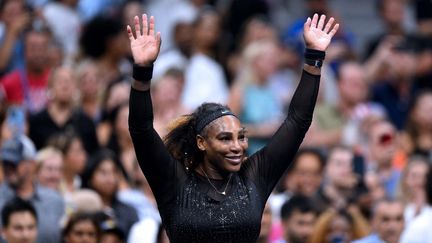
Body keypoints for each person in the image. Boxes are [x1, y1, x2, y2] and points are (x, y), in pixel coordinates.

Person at [127, 13, 339, 242]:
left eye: (241, 137)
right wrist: (142, 71)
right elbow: (141, 129)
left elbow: (297, 121)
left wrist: (314, 57)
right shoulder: (174, 181)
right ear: (201, 142)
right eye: (225, 138)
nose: (237, 146)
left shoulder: (254, 177)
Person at [0, 135, 65, 243]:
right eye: (5, 163)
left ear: (32, 164)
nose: (8, 169)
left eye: (14, 163)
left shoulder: (55, 201)